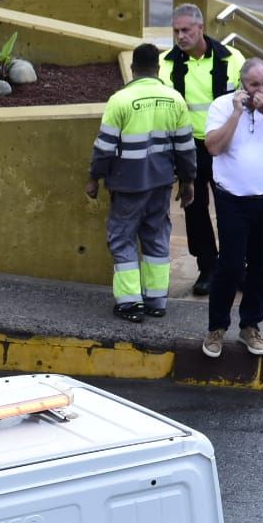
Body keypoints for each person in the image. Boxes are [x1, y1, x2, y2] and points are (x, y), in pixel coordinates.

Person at [87, 43, 195, 322]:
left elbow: (104, 146)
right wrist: (187, 181)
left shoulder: (120, 100)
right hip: (161, 184)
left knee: (122, 239)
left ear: (133, 69)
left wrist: (94, 177)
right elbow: (185, 146)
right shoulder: (175, 99)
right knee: (156, 238)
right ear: (158, 69)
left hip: (127, 185)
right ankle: (156, 301)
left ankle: (130, 303)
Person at [200, 58, 263, 359]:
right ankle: (217, 327)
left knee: (260, 266)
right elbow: (214, 147)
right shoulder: (220, 106)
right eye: (255, 85)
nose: (261, 90)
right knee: (229, 265)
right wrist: (236, 113)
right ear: (242, 84)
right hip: (232, 199)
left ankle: (250, 325)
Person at [160, 4, 244, 297]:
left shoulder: (231, 59)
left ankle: (235, 268)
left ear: (201, 28)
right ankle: (207, 267)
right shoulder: (165, 64)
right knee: (195, 209)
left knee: (231, 208)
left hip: (224, 145)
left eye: (186, 30)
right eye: (176, 31)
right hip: (188, 148)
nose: (180, 36)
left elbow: (247, 101)